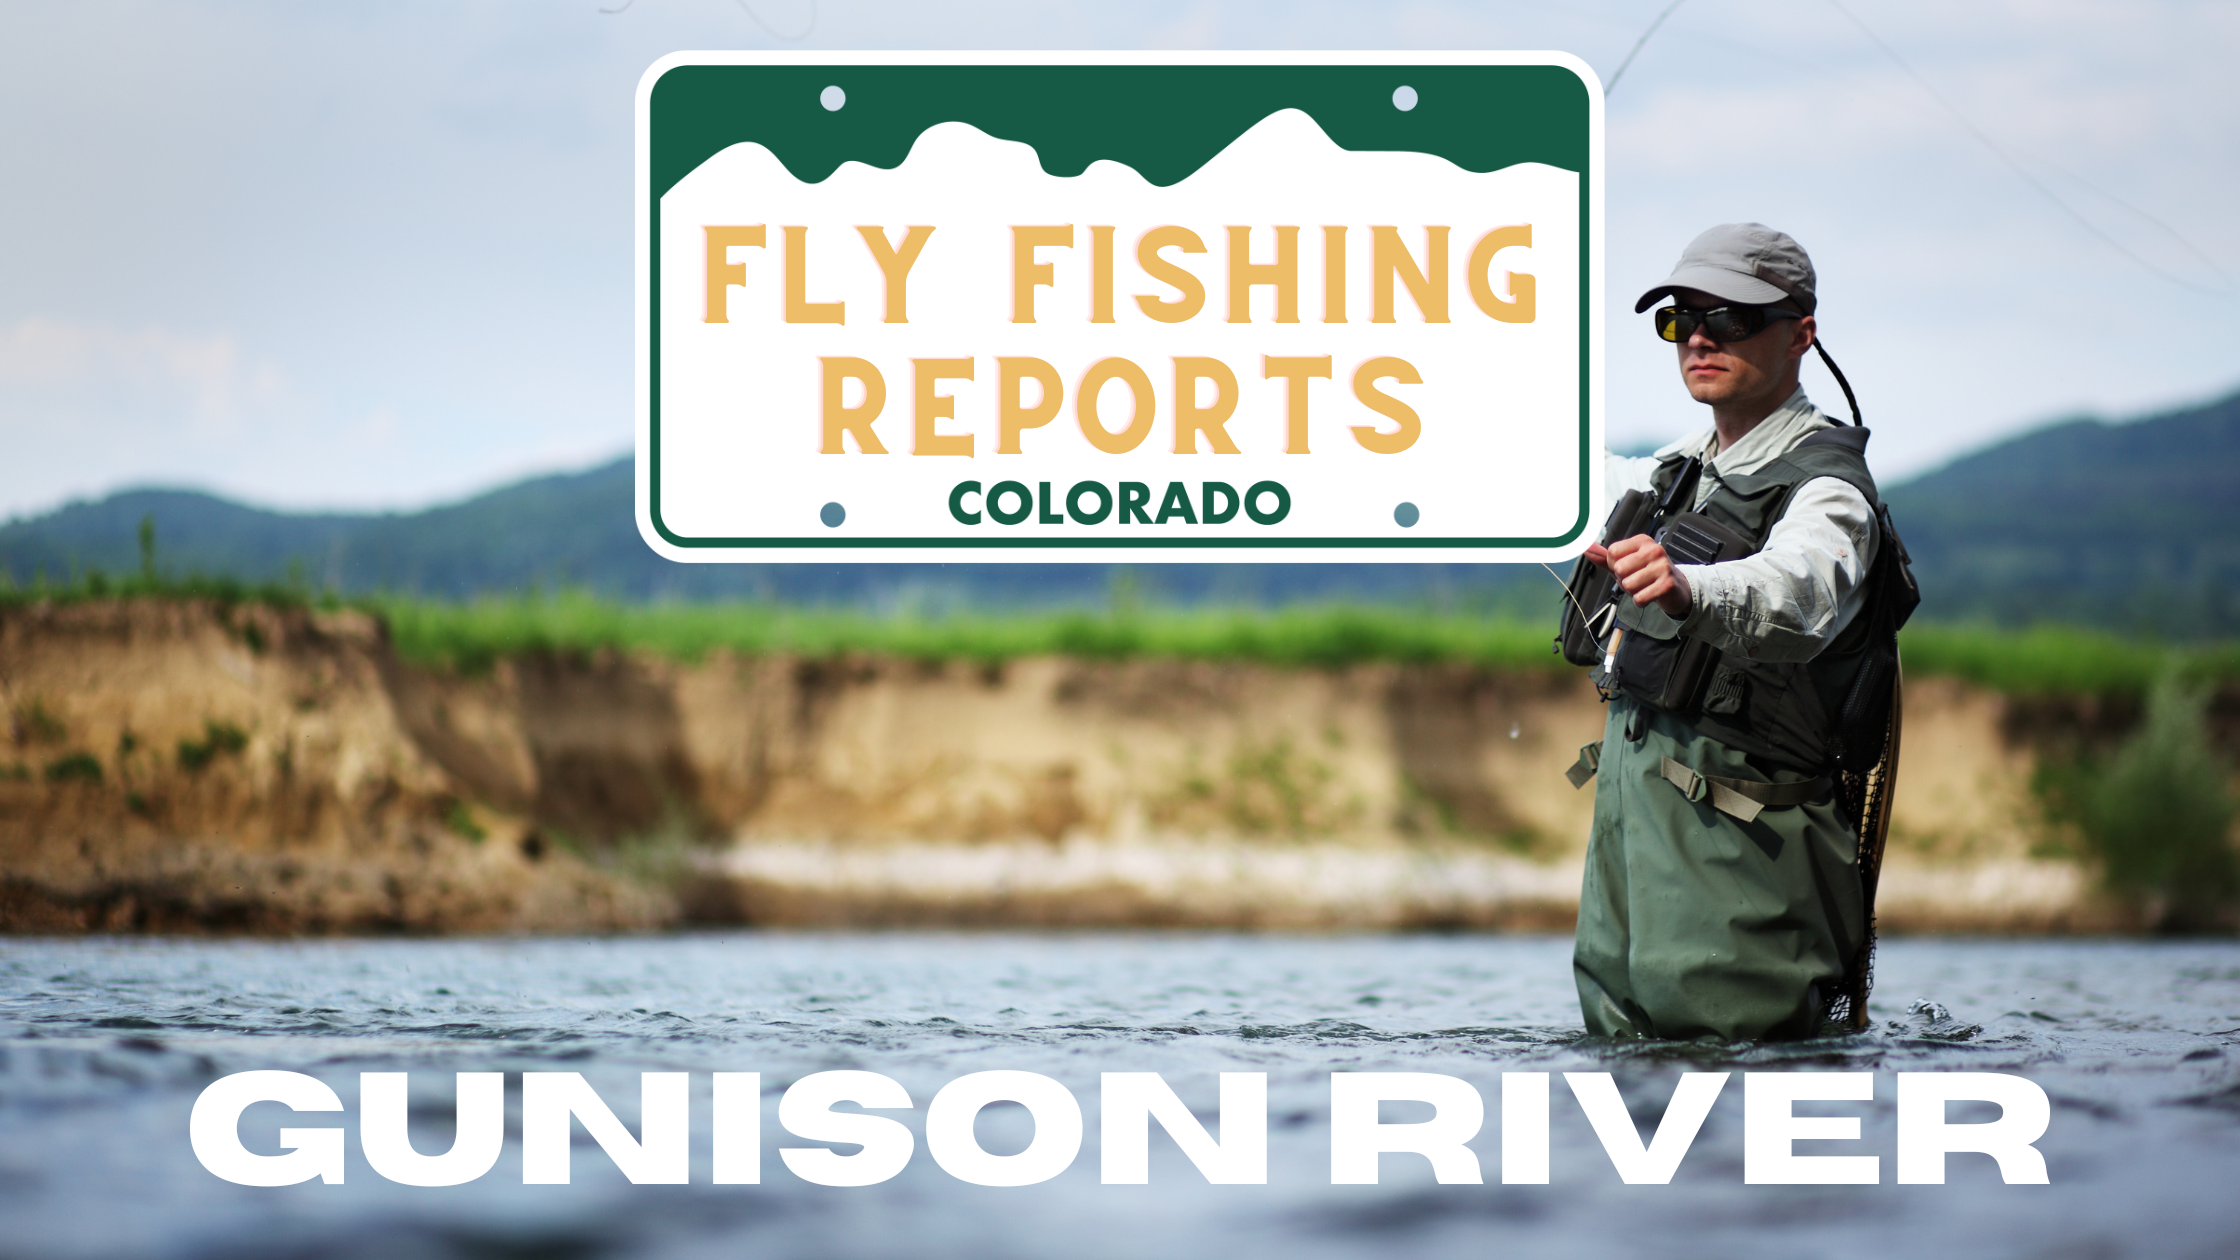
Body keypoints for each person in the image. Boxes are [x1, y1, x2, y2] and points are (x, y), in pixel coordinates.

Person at [1569, 222, 1896, 1042]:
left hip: (1743, 869)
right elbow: (1567, 480)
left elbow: (1799, 591)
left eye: (1734, 317)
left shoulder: (1831, 490)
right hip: (1632, 866)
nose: (1701, 336)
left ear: (1802, 335)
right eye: (1682, 318)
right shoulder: (1679, 470)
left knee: (1738, 1107)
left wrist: (1689, 587)